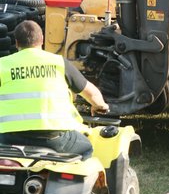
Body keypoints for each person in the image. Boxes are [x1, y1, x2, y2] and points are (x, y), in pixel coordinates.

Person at [0, 20, 109, 159]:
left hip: (9, 138)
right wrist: (100, 105)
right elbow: (91, 92)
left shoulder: (2, 65)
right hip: (53, 138)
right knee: (87, 147)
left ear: (16, 43)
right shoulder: (58, 62)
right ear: (42, 39)